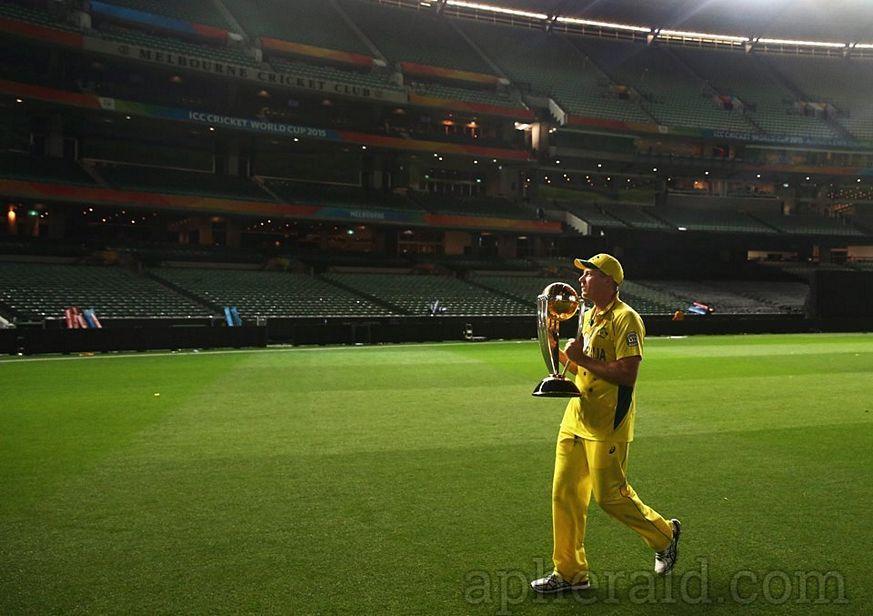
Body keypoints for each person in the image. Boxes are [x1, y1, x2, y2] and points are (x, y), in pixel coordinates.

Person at [530, 253, 681, 594]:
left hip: (608, 420)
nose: (581, 280)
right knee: (564, 494)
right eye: (582, 275)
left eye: (589, 274)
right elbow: (580, 355)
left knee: (610, 496)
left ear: (609, 281)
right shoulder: (587, 314)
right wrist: (563, 363)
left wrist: (582, 358)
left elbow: (628, 374)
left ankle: (664, 535)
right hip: (577, 414)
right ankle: (569, 573)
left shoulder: (627, 319)